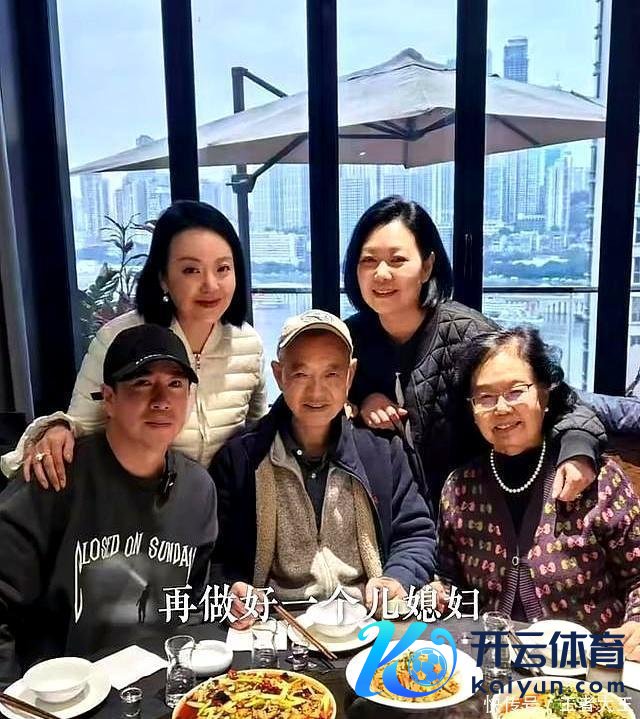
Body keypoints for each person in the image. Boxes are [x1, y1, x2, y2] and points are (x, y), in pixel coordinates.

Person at [343, 195, 605, 504]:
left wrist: (578, 450)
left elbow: (561, 400)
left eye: (397, 260)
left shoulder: (468, 334)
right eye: (368, 260)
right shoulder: (349, 339)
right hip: (392, 517)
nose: (381, 273)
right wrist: (360, 399)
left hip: (475, 512)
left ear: (427, 266)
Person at [0, 324, 218, 687]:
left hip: (163, 687)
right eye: (142, 383)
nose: (162, 399)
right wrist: (8, 696)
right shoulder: (56, 475)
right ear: (109, 399)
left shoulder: (198, 490)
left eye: (176, 384)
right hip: (65, 694)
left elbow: (193, 603)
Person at [1, 200, 266, 488]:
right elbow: (80, 424)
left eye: (223, 268)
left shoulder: (248, 344)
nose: (211, 285)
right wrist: (57, 429)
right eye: (191, 270)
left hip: (222, 504)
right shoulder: (119, 337)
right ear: (163, 278)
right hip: (138, 504)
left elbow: (259, 433)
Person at [209, 310, 436, 628]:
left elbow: (415, 534)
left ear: (350, 375)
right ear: (279, 375)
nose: (316, 392)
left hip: (367, 620)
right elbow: (217, 557)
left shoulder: (381, 452)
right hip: (276, 623)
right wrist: (232, 589)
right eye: (301, 374)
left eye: (331, 374)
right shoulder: (241, 459)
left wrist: (396, 578)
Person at [436, 326, 640, 656]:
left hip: (587, 668)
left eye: (516, 391)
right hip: (491, 666)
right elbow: (450, 580)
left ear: (544, 395)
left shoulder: (598, 480)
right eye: (485, 397)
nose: (501, 408)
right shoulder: (460, 488)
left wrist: (637, 623)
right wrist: (438, 594)